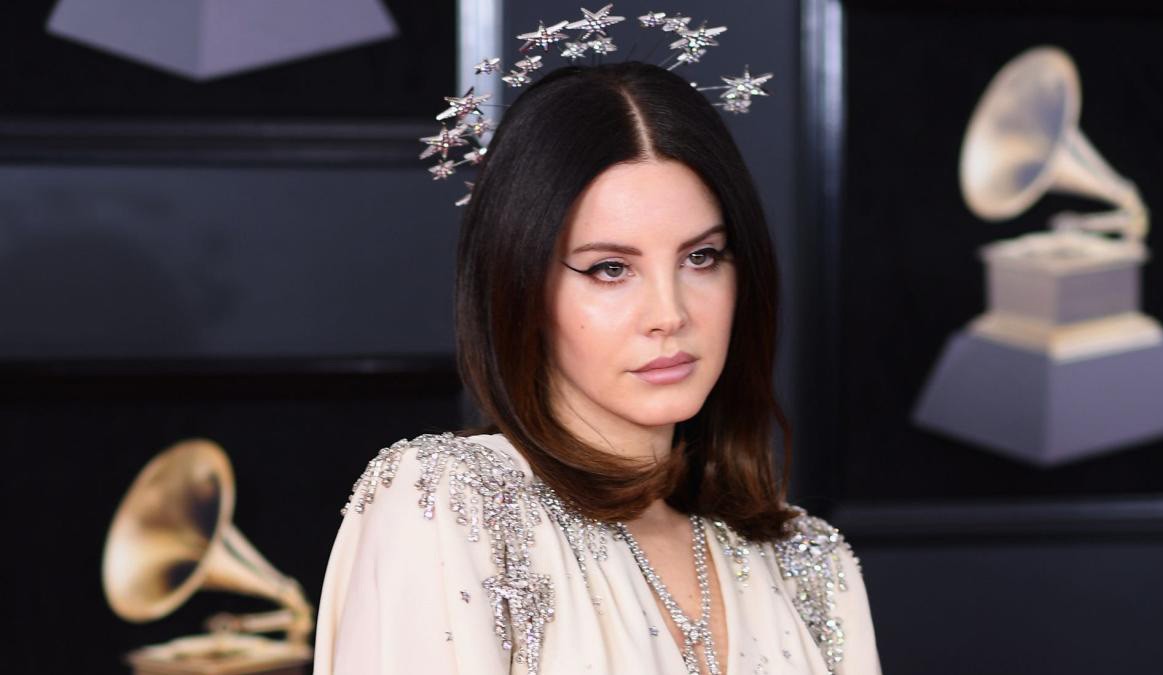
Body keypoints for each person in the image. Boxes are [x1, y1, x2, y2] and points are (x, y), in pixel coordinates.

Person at [313, 60, 881, 675]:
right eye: (611, 268)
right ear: (521, 286)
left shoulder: (809, 564)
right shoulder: (451, 502)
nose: (669, 314)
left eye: (700, 257)